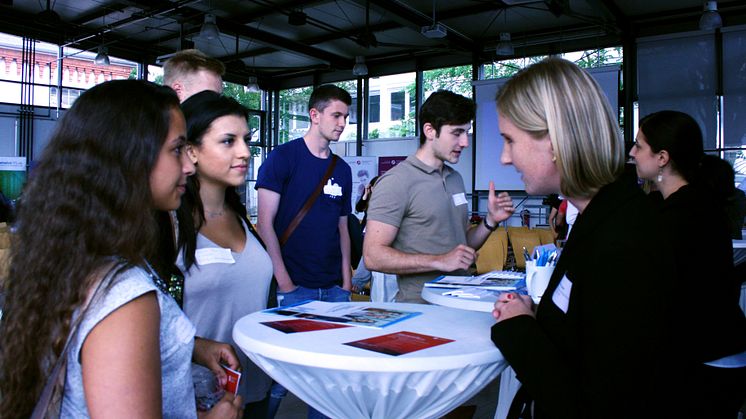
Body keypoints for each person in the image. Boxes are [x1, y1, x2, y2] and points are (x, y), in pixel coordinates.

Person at [0, 80, 242, 418]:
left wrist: (191, 347)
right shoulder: (125, 297)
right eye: (176, 149)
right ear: (130, 157)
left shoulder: (74, 258)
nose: (188, 166)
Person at [491, 58, 678, 418]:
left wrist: (518, 330)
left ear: (557, 141)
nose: (503, 158)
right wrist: (534, 317)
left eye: (510, 140)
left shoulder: (624, 240)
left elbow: (595, 403)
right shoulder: (602, 217)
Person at [629, 110, 746, 418]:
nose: (632, 152)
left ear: (663, 157)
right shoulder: (689, 203)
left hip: (708, 362)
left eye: (639, 145)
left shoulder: (682, 217)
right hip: (718, 352)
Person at [255, 84, 353, 419]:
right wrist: (284, 284)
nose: (342, 123)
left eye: (346, 116)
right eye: (336, 115)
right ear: (315, 115)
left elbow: (342, 226)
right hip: (295, 286)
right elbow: (264, 224)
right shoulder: (283, 157)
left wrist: (346, 279)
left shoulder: (342, 169)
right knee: (284, 376)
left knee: (328, 376)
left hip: (334, 290)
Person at [364, 90, 514, 303]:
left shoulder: (455, 179)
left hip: (462, 299)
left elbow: (461, 246)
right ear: (430, 130)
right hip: (422, 308)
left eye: (467, 133)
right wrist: (439, 261)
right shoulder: (396, 181)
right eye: (457, 133)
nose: (465, 142)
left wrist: (490, 221)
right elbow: (372, 256)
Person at [176, 91, 274, 419]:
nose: (245, 152)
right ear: (191, 151)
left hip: (254, 388)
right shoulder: (171, 227)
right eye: (228, 141)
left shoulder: (242, 218)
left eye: (246, 140)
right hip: (195, 399)